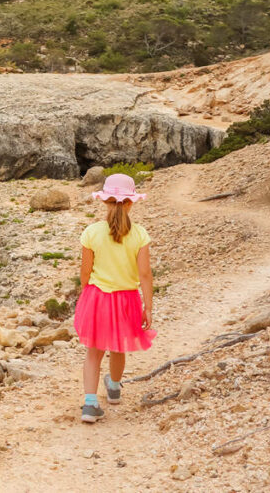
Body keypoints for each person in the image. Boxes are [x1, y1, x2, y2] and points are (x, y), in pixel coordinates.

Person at [73, 173, 156, 423]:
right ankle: (115, 388)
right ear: (131, 202)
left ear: (104, 201)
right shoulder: (140, 234)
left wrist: (87, 292)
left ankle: (90, 404)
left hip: (97, 297)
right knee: (118, 347)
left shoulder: (91, 232)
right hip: (127, 299)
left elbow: (85, 271)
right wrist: (148, 307)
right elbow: (144, 274)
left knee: (93, 351)